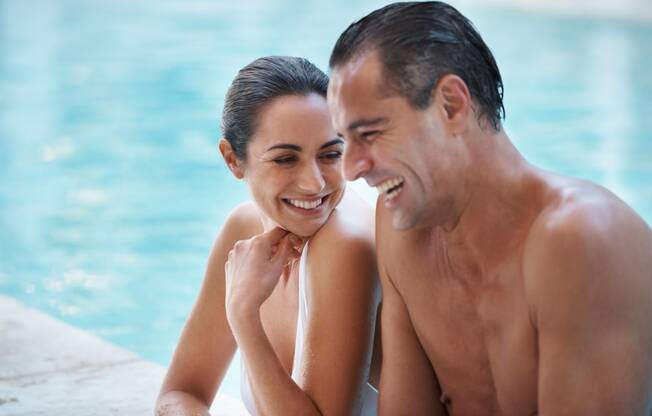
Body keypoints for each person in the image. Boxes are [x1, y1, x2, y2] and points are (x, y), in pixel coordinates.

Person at [327, 2, 652, 415]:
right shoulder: (402, 230)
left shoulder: (582, 240)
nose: (351, 168)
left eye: (370, 133)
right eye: (345, 141)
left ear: (451, 105)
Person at [156, 56, 380, 416]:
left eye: (330, 154)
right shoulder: (243, 229)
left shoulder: (346, 245)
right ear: (232, 159)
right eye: (286, 159)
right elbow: (180, 393)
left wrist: (244, 316)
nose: (315, 183)